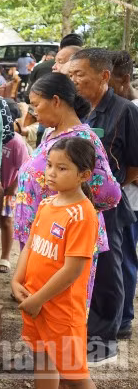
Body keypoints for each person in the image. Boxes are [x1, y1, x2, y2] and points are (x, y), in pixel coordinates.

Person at [68, 48, 138, 363]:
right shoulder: (77, 110)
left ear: (104, 76)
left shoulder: (125, 111)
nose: (73, 80)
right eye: (70, 75)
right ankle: (83, 329)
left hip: (108, 207)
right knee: (81, 268)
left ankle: (104, 339)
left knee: (110, 272)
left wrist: (108, 189)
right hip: (76, 205)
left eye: (78, 74)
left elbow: (134, 166)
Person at [12, 137, 99, 388]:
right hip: (34, 300)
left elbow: (73, 270)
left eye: (62, 169)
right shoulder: (48, 203)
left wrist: (37, 300)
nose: (51, 173)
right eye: (49, 165)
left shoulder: (82, 214)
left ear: (84, 175)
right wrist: (18, 280)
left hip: (61, 311)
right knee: (43, 361)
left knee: (74, 377)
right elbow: (31, 244)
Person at [0, 100, 31, 272]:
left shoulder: (16, 142)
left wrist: (13, 188)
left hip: (9, 189)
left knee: (6, 220)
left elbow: (24, 168)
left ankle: (5, 257)